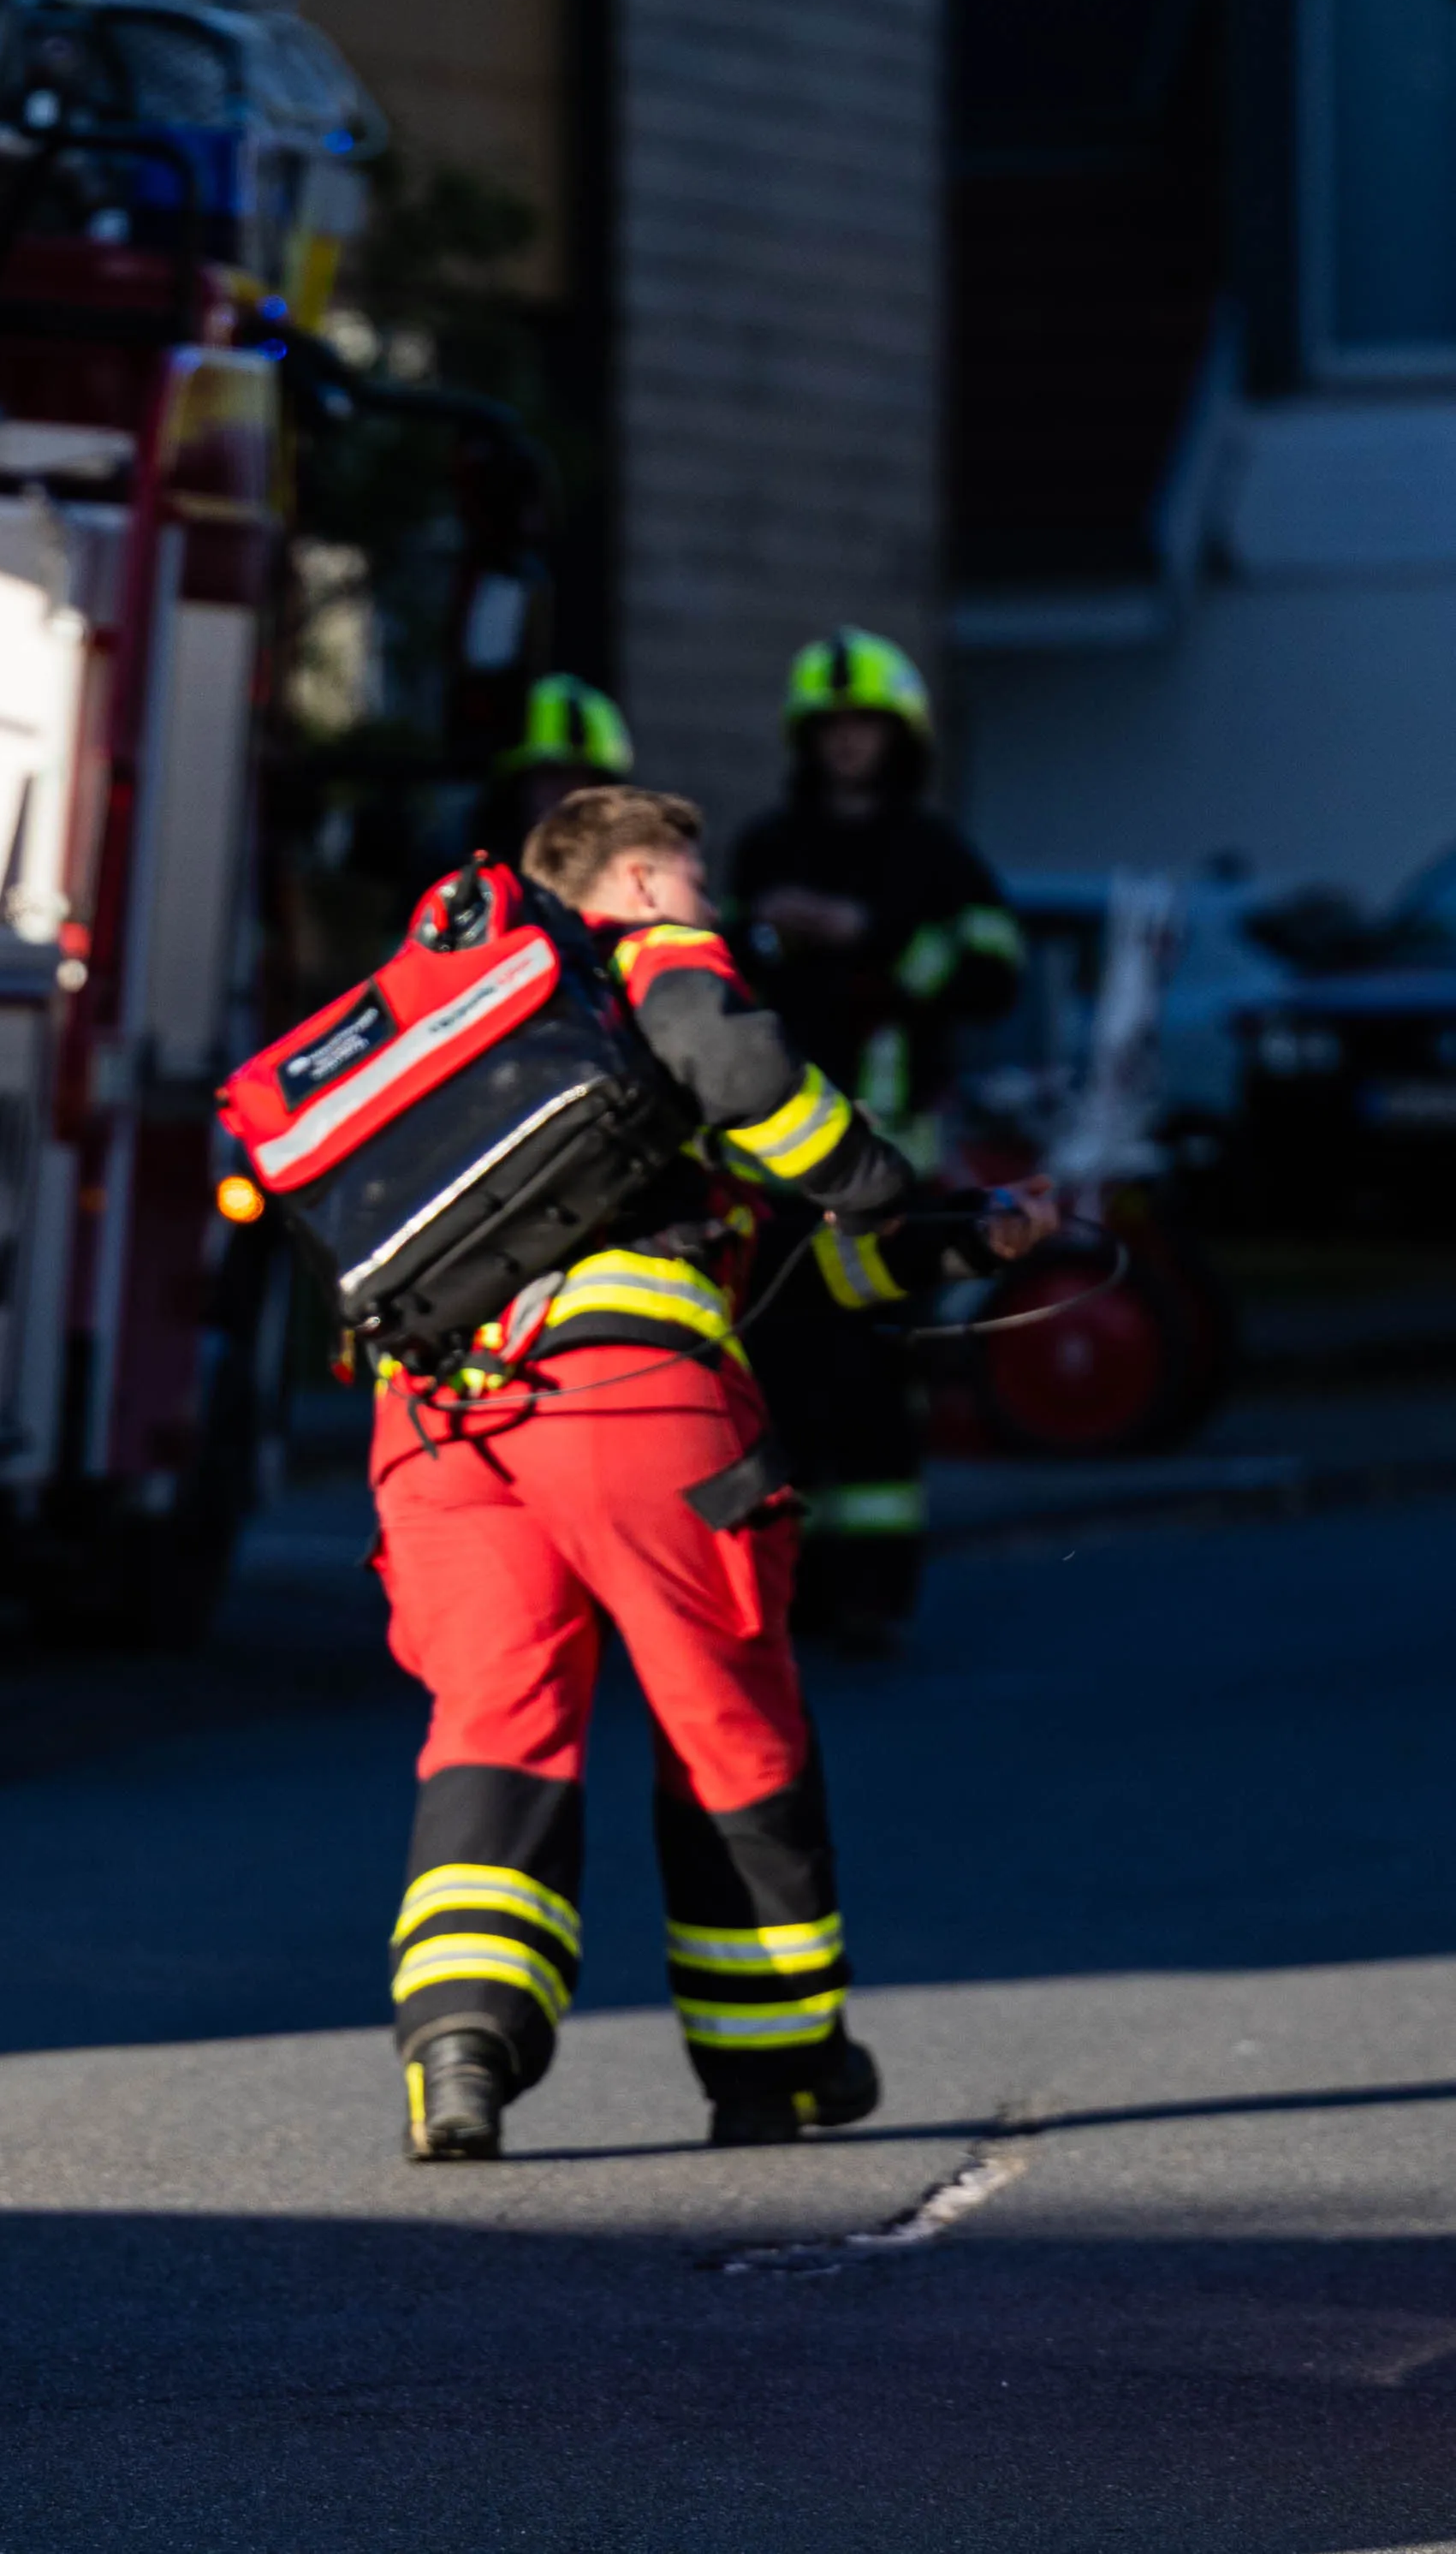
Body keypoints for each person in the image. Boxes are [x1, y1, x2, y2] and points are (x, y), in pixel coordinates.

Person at [378, 785, 1055, 2163]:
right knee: (723, 1721)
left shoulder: (469, 1029)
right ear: (627, 883)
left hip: (437, 1427)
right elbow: (780, 1127)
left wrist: (961, 1243)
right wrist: (872, 1171)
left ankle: (461, 2049)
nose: (708, 903)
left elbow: (791, 1265)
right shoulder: (651, 976)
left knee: (496, 1728)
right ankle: (779, 2065)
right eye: (685, 876)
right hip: (626, 1406)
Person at [730, 629, 1026, 1654]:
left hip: (887, 1169)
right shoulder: (769, 846)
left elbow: (993, 966)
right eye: (833, 729)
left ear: (897, 737)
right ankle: (788, 1586)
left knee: (875, 1383)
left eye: (865, 728)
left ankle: (874, 1594)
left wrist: (868, 939)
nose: (848, 746)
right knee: (777, 1378)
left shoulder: (931, 854)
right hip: (768, 1172)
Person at [468, 670, 635, 868]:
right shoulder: (477, 884)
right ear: (517, 789)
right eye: (552, 774)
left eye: (582, 778)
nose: (568, 793)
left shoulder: (631, 881)